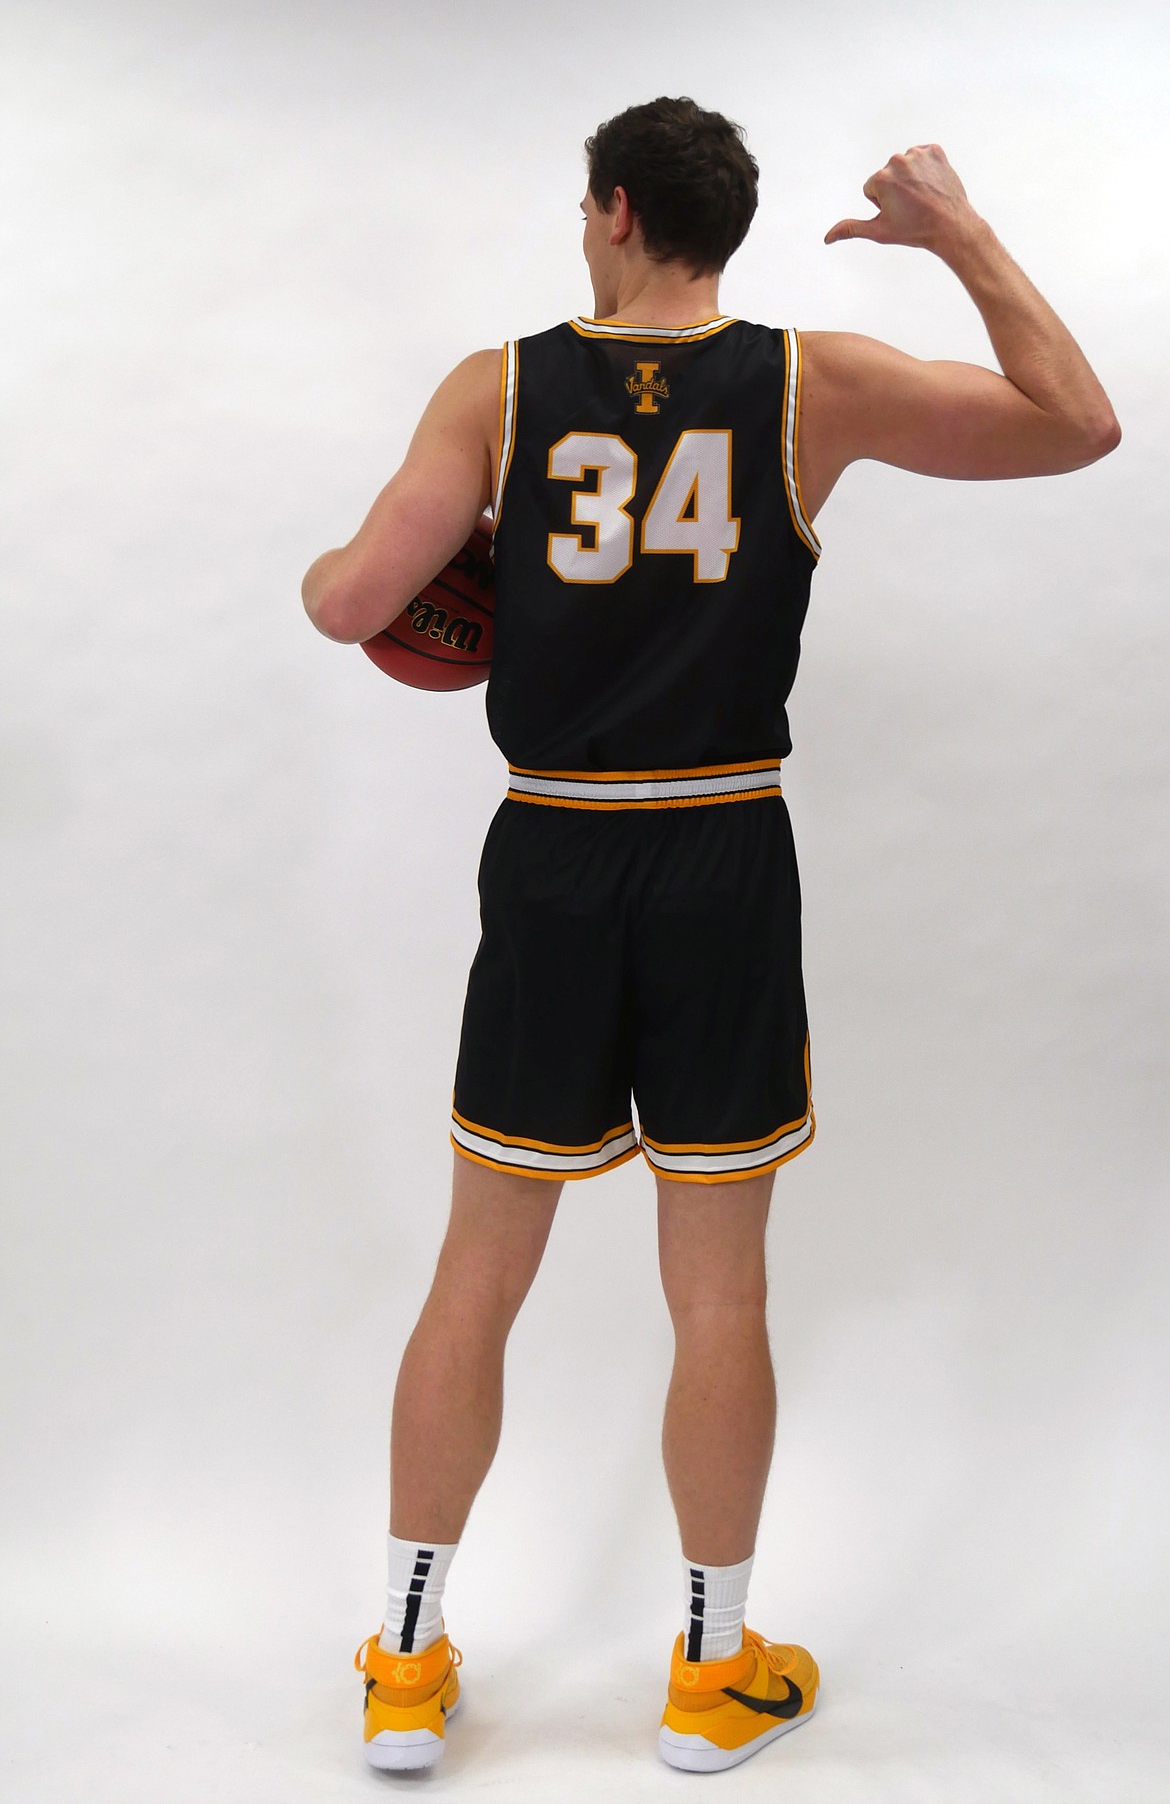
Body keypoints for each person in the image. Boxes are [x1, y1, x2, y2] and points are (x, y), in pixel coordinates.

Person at [301, 97, 1120, 1775]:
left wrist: (444, 563)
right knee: (717, 1289)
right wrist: (956, 231)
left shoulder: (500, 386)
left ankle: (400, 1665)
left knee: (478, 1267)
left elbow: (347, 602)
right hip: (720, 854)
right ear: (722, 226)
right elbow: (1076, 423)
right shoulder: (810, 382)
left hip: (551, 855)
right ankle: (707, 1669)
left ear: (610, 209)